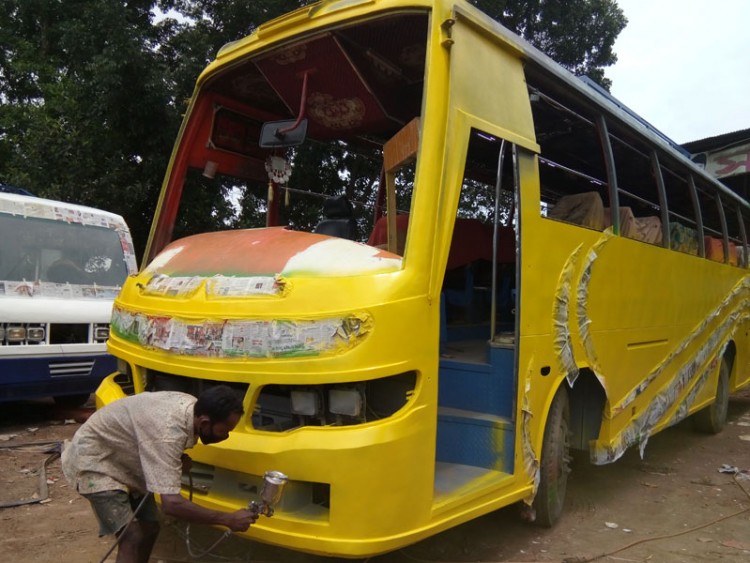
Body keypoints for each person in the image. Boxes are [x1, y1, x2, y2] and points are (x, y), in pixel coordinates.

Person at [61, 385, 258, 563]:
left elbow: (153, 433)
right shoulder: (168, 434)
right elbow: (171, 505)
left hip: (124, 459)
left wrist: (175, 458)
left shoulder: (191, 407)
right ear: (205, 422)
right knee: (132, 536)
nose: (225, 436)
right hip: (94, 462)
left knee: (150, 528)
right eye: (223, 431)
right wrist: (227, 519)